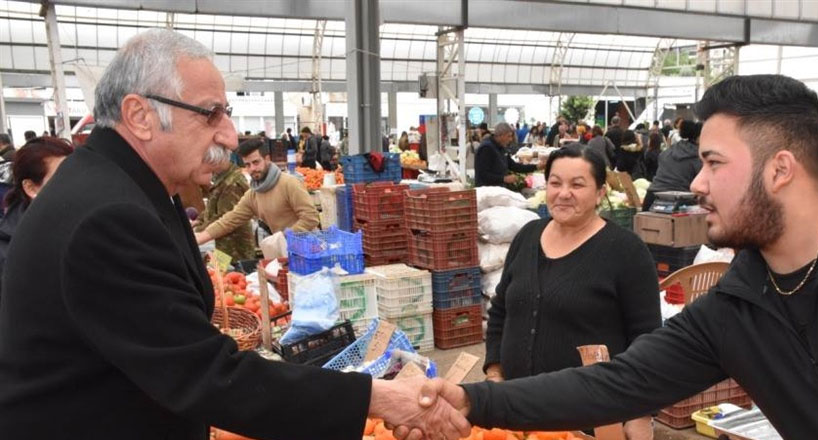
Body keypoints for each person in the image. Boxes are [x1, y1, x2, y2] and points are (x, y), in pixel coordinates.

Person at [0, 29, 469, 440]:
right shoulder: (107, 215)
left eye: (225, 113)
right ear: (140, 115)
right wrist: (377, 397)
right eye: (210, 114)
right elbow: (205, 375)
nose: (228, 135)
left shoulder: (119, 187)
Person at [406, 74, 818, 440]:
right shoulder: (738, 303)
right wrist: (473, 400)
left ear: (780, 169)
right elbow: (617, 382)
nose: (696, 183)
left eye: (714, 163)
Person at [484, 145, 660, 439]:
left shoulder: (627, 251)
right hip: (516, 412)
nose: (563, 193)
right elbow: (501, 310)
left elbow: (648, 339)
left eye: (577, 185)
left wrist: (642, 413)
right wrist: (495, 371)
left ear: (600, 193)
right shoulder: (527, 236)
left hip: (591, 417)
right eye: (555, 183)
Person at [196, 137, 319, 245]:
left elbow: (311, 217)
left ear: (267, 159)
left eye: (256, 162)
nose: (252, 169)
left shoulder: (289, 183)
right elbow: (229, 220)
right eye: (247, 165)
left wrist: (284, 236)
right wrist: (199, 238)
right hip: (284, 250)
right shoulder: (253, 194)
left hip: (310, 249)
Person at [0, 136, 73, 293]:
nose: (75, 184)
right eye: (61, 178)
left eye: (77, 174)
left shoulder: (85, 222)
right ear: (30, 188)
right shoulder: (9, 251)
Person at [193, 145, 255, 263]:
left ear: (219, 160)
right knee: (218, 272)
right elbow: (212, 207)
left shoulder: (233, 183)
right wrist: (199, 220)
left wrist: (199, 231)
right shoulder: (221, 177)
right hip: (222, 242)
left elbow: (225, 216)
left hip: (234, 246)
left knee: (232, 272)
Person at [642, 120, 701, 211]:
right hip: (679, 203)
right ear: (699, 137)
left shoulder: (669, 151)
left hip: (651, 199)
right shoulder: (699, 156)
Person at [475, 122, 543, 187]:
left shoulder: (501, 147)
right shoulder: (486, 148)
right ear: (501, 135)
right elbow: (483, 174)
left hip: (499, 189)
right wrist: (504, 179)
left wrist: (536, 167)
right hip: (487, 191)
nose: (510, 139)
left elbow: (514, 166)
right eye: (509, 136)